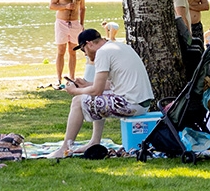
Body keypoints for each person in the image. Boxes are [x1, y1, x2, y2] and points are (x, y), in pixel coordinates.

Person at [53, 28, 155, 158]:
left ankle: (65, 148)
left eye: (84, 50)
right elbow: (110, 85)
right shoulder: (118, 46)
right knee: (97, 98)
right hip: (141, 103)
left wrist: (75, 91)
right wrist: (87, 84)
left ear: (89, 44)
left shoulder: (102, 52)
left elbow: (97, 90)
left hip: (131, 105)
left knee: (77, 101)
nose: (85, 54)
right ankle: (94, 142)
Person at [50, 0, 87, 83]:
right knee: (61, 50)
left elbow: (82, 8)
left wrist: (81, 24)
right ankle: (59, 78)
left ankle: (72, 77)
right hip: (62, 23)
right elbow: (52, 6)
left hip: (75, 23)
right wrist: (65, 6)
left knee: (73, 50)